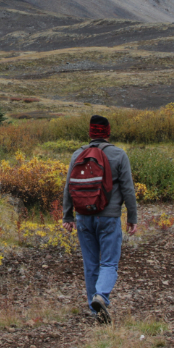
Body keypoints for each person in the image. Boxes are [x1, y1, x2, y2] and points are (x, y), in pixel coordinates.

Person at [61, 115, 138, 324]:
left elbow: (68, 187)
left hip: (83, 217)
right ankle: (101, 296)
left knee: (91, 264)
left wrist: (67, 215)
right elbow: (128, 190)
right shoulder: (118, 154)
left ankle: (95, 311)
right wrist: (132, 216)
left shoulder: (77, 154)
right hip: (109, 217)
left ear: (90, 132)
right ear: (108, 132)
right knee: (109, 262)